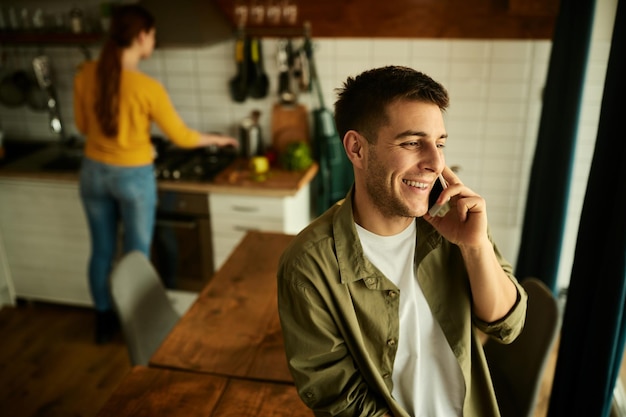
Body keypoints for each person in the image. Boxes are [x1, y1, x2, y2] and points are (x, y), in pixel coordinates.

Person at [277, 66, 528, 417]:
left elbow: (507, 325)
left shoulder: (457, 218)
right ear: (357, 149)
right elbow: (339, 401)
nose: (435, 162)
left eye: (439, 143)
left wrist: (475, 247)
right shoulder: (309, 265)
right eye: (412, 143)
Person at [73, 4, 238, 344]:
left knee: (101, 250)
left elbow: (83, 126)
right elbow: (183, 138)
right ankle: (138, 325)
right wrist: (218, 139)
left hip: (92, 173)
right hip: (132, 176)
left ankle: (103, 321)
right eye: (152, 35)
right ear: (140, 36)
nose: (154, 41)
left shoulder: (84, 73)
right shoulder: (145, 87)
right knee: (136, 253)